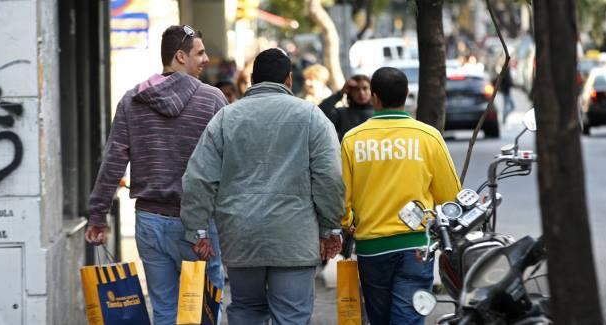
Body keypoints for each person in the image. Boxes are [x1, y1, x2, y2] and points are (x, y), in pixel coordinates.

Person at [181, 48, 344, 324]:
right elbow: (329, 176)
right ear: (289, 80)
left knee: (246, 310)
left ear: (253, 79)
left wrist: (197, 230)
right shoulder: (312, 117)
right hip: (294, 239)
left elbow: (198, 177)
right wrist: (330, 228)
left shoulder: (225, 118)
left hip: (241, 237)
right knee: (291, 315)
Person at [84, 25, 227, 325]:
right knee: (205, 309)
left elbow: (113, 161)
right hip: (198, 223)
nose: (206, 59)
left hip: (150, 221)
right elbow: (230, 163)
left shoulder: (132, 101)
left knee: (164, 309)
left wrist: (98, 215)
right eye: (199, 53)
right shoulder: (212, 100)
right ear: (179, 56)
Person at [341, 67, 461, 324]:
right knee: (408, 317)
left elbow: (342, 201)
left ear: (374, 97)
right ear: (407, 94)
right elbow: (451, 197)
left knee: (380, 319)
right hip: (415, 246)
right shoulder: (428, 137)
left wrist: (348, 223)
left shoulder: (353, 140)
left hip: (371, 248)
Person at [319, 74, 373, 142]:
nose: (361, 93)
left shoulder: (379, 113)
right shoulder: (341, 113)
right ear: (350, 91)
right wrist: (340, 93)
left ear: (371, 90)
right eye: (356, 89)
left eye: (365, 88)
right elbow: (318, 114)